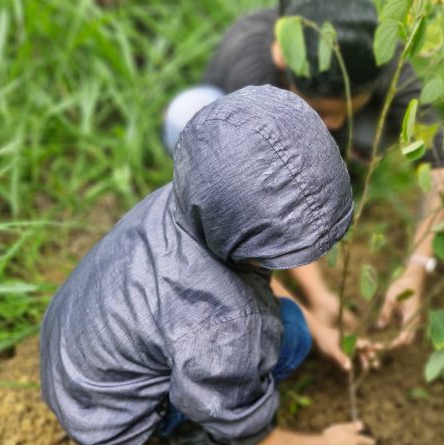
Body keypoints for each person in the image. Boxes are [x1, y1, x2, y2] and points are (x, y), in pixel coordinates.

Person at [41, 86, 375, 445]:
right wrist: (327, 442)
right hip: (113, 426)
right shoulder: (224, 327)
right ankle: (185, 434)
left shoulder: (195, 197)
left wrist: (324, 331)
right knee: (290, 338)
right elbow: (252, 435)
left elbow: (246, 271)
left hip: (73, 369)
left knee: (288, 326)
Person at [163, 0, 444, 347]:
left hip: (325, 138)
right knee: (190, 112)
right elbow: (262, 195)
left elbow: (442, 167)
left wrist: (417, 268)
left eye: (346, 109)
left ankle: (344, 170)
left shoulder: (382, 56)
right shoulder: (252, 64)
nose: (332, 124)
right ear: (283, 64)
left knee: (381, 123)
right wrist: (316, 298)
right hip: (247, 139)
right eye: (320, 111)